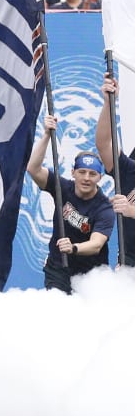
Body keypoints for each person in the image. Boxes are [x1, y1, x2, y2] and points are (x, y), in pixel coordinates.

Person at [27, 113, 114, 293]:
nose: (86, 178)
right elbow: (33, 169)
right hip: (59, 268)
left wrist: (73, 248)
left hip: (90, 274)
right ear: (73, 172)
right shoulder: (62, 188)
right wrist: (46, 135)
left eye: (92, 174)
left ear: (100, 177)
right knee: (58, 314)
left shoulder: (104, 208)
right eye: (82, 172)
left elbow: (96, 244)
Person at [96, 74, 135, 266]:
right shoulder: (129, 170)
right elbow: (104, 144)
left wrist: (130, 210)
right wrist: (109, 103)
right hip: (129, 265)